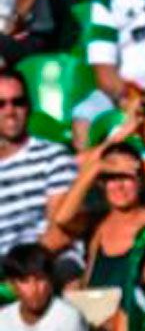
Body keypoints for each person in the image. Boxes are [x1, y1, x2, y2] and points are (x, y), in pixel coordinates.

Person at [40, 138, 145, 288]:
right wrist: (95, 168)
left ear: (140, 182)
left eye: (126, 177)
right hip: (96, 307)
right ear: (102, 184)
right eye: (111, 177)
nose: (119, 186)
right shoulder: (97, 223)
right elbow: (62, 219)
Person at [0, 68, 78, 253]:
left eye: (17, 102)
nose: (10, 111)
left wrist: (17, 275)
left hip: (44, 265)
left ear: (28, 107)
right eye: (0, 104)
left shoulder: (54, 157)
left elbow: (58, 233)